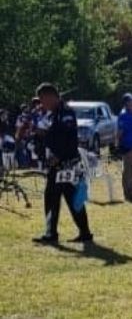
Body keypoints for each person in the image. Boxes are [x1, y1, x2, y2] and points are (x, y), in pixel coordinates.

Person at [31, 83, 93, 244]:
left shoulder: (65, 113)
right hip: (59, 162)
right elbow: (53, 135)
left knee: (57, 197)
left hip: (65, 163)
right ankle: (82, 232)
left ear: (50, 96)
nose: (42, 104)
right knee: (67, 198)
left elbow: (68, 139)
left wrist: (59, 155)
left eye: (43, 100)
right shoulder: (52, 114)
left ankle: (53, 234)